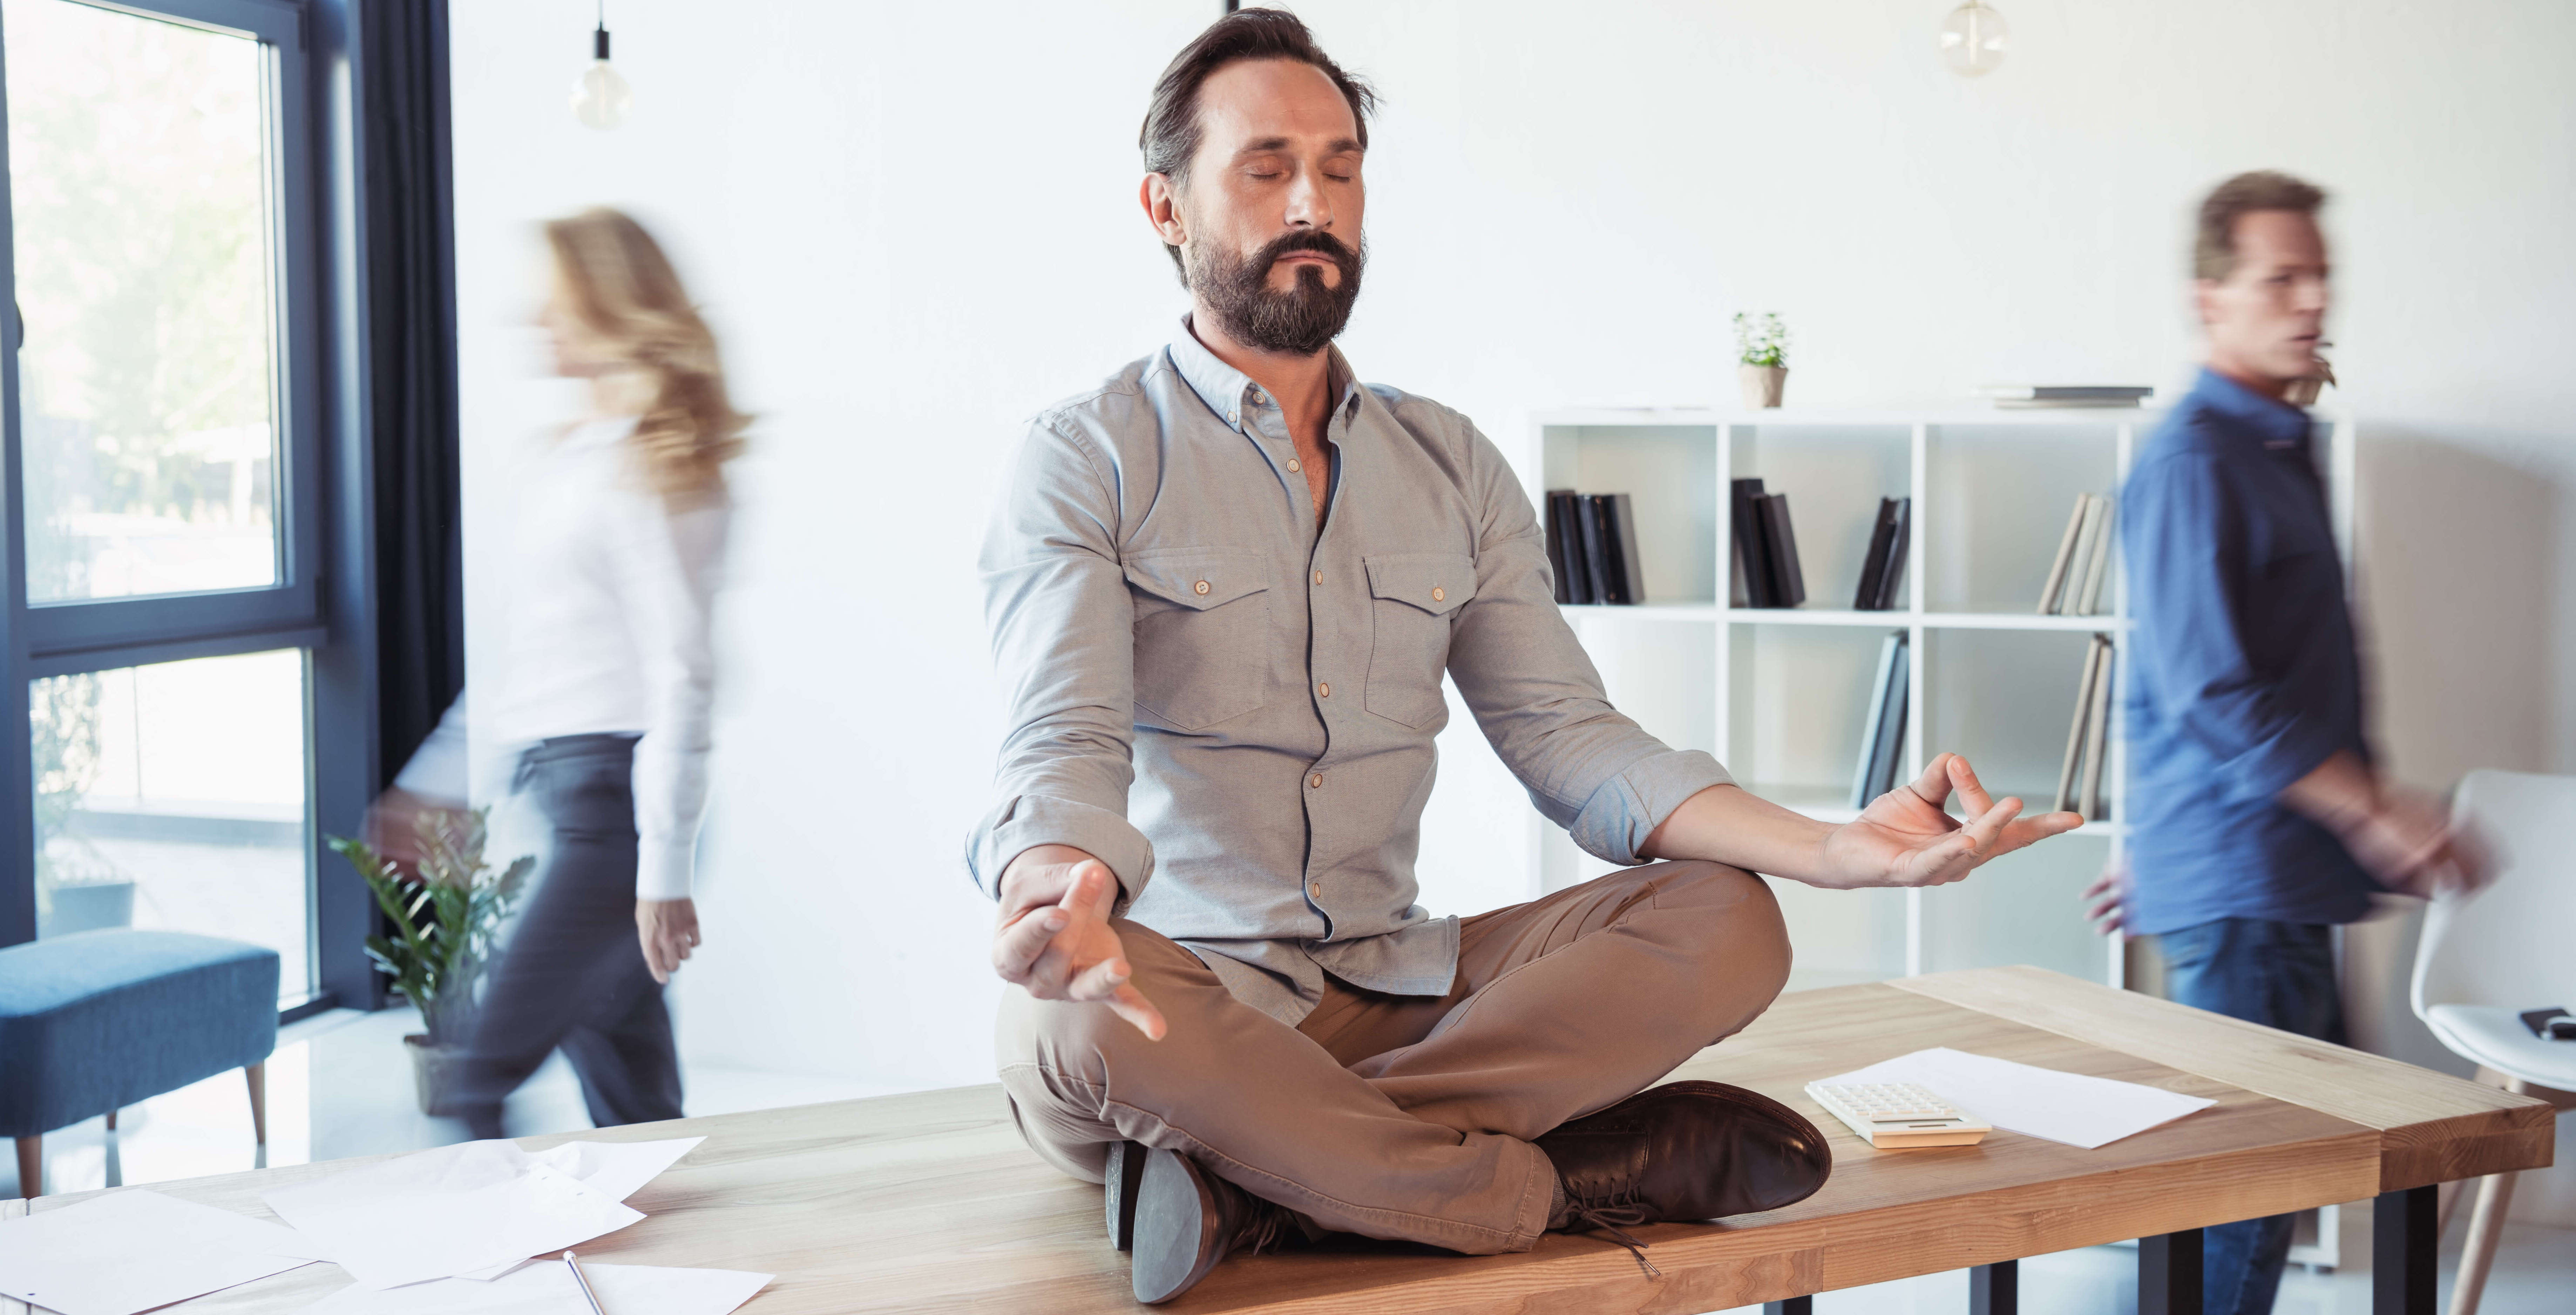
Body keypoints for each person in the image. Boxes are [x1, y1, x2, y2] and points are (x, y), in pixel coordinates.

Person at [970, 11, 2082, 1304]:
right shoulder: (1084, 455)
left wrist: (1831, 847)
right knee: (1058, 1020)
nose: (1312, 202)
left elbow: (1567, 734)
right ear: (1165, 207)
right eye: (1265, 167)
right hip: (1181, 995)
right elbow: (1062, 736)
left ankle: (1268, 1177)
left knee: (1727, 913)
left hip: (1393, 985)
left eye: (1340, 167)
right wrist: (1059, 888)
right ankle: (1540, 1188)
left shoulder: (1449, 461)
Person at [2085, 170, 2481, 1315]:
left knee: (2268, 1187)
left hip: (2271, 876)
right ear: (2209, 299)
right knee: (2244, 1204)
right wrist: (2377, 809)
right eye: (2279, 278)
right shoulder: (2195, 458)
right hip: (2250, 883)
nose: (2311, 300)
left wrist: (2163, 843)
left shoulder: (2272, 444)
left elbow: (2220, 679)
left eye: (2320, 276)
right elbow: (2208, 688)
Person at [374, 207, 746, 1140]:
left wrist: (662, 868)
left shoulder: (655, 463)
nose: (536, 322)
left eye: (556, 302)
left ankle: (477, 1275)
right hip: (567, 791)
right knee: (636, 1107)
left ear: (605, 303)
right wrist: (433, 782)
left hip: (613, 815)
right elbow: (531, 659)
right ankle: (669, 1274)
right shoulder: (577, 458)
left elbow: (684, 676)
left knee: (472, 1073)